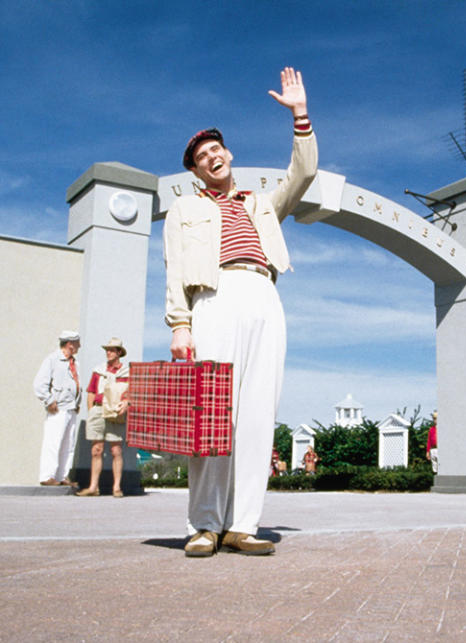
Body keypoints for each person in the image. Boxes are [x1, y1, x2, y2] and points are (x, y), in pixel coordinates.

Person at [164, 67, 317, 557]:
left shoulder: (262, 204)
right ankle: (204, 525)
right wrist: (180, 325)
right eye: (201, 157)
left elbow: (305, 172)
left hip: (264, 293)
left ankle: (243, 524)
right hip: (214, 295)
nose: (212, 158)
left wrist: (299, 114)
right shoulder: (183, 211)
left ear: (229, 154)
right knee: (214, 413)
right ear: (194, 171)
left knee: (257, 414)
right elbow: (173, 272)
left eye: (216, 150)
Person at [77, 337, 129, 498]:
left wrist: (126, 403)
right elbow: (91, 392)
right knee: (96, 449)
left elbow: (132, 393)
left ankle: (117, 487)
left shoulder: (126, 372)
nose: (108, 352)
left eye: (112, 350)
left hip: (115, 412)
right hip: (98, 411)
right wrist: (91, 410)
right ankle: (93, 487)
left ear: (119, 352)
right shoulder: (98, 370)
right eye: (107, 349)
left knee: (116, 450)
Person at [32, 330, 82, 487]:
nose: (79, 345)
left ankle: (61, 476)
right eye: (77, 343)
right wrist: (49, 400)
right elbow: (39, 384)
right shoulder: (52, 360)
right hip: (58, 408)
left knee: (68, 444)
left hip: (71, 408)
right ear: (69, 344)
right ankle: (47, 476)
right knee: (53, 442)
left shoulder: (75, 363)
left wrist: (77, 402)